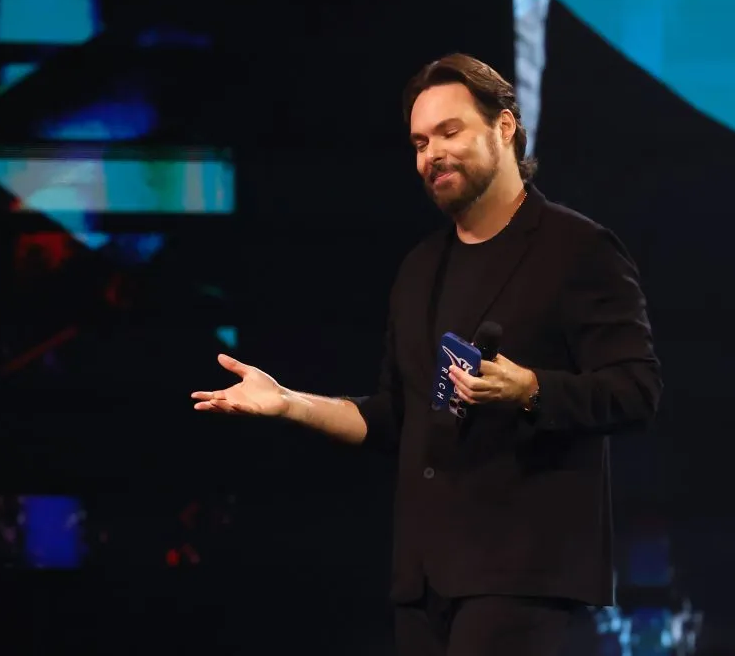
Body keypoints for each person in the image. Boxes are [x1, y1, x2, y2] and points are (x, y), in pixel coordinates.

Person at [191, 53, 662, 656]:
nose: (430, 154)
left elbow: (637, 389)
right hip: (424, 584)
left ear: (504, 127)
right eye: (418, 142)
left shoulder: (579, 250)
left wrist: (533, 391)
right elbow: (394, 417)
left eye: (449, 131)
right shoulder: (419, 268)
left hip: (521, 578)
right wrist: (288, 404)